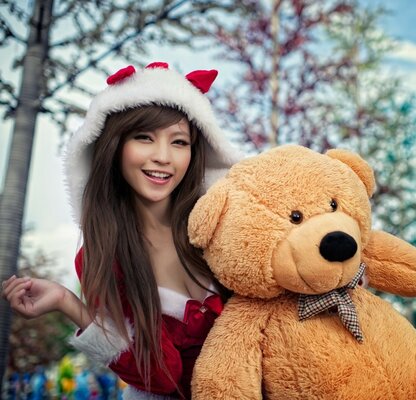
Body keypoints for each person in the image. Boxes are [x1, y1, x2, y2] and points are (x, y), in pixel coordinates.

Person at [2, 62, 244, 399]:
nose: (163, 157)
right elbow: (161, 374)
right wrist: (68, 303)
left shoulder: (221, 226)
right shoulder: (103, 256)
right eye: (144, 138)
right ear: (115, 146)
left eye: (179, 142)